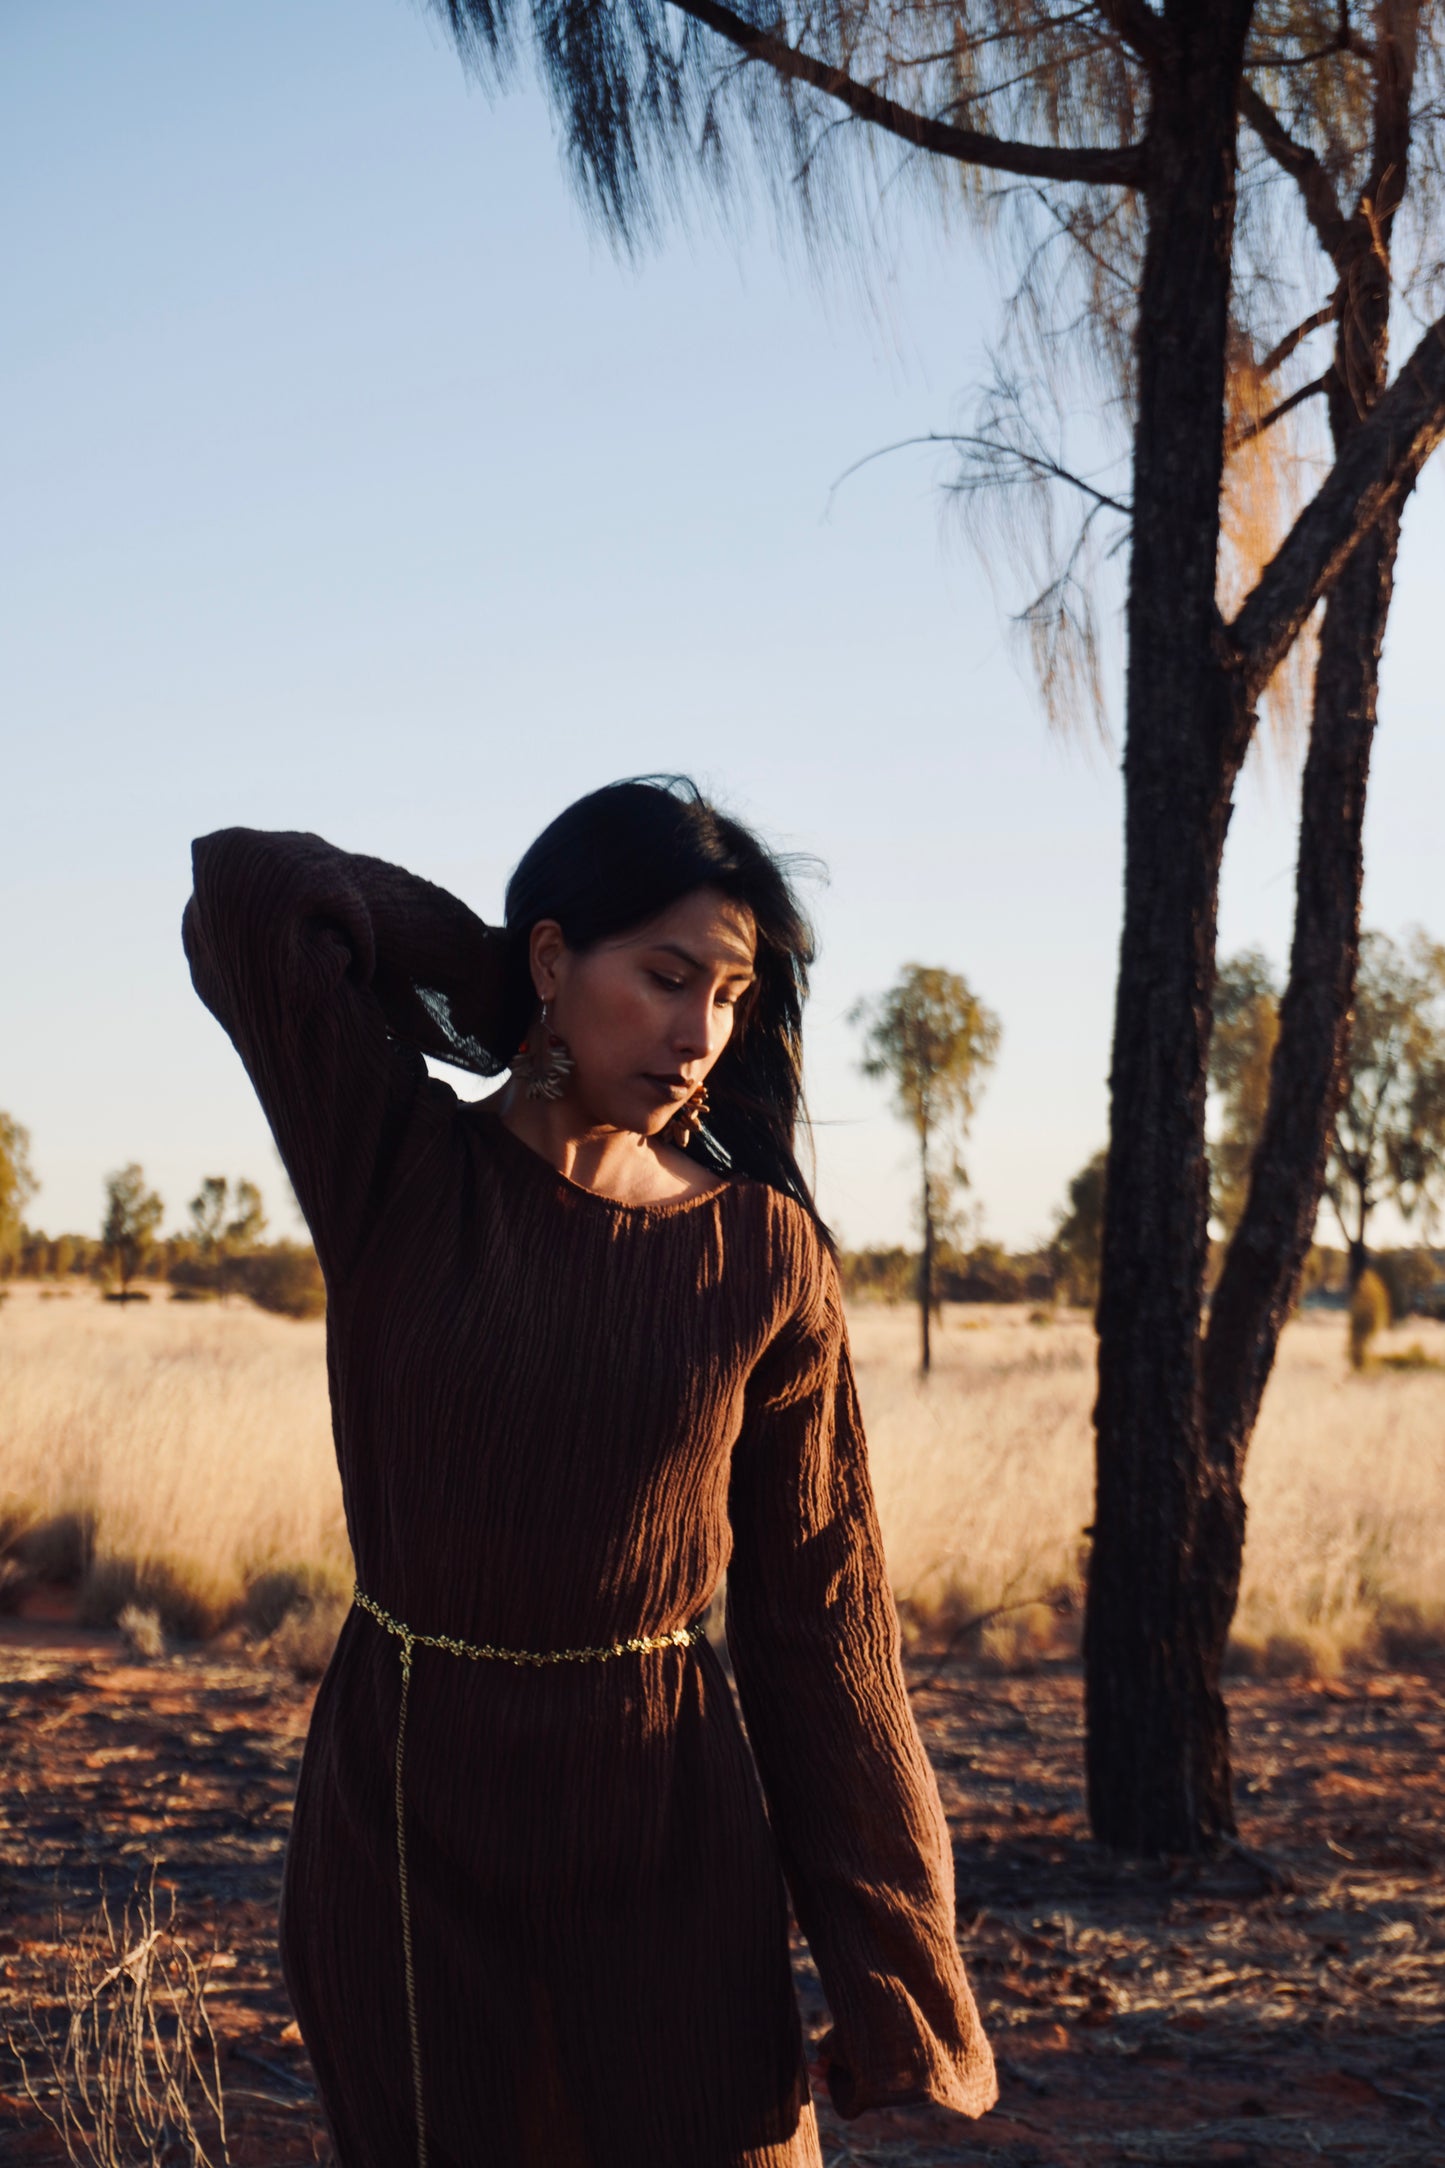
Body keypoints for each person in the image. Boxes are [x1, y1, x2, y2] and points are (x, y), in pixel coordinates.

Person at [182, 776, 996, 2168]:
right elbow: (252, 893)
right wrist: (503, 992)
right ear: (558, 957)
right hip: (404, 1823)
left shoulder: (762, 1258)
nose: (696, 1036)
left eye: (731, 994)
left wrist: (893, 1970)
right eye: (663, 976)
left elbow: (826, 1619)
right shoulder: (398, 1171)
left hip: (664, 1827)